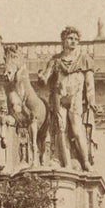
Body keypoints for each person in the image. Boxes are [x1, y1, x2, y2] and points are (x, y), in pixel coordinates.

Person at [38, 26, 98, 171]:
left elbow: (90, 83)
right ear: (63, 40)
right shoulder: (55, 61)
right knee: (61, 129)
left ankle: (85, 162)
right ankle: (67, 164)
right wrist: (41, 78)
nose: (73, 42)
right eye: (70, 38)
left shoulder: (84, 59)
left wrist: (91, 100)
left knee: (77, 130)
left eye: (76, 39)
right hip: (59, 96)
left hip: (76, 98)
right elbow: (45, 78)